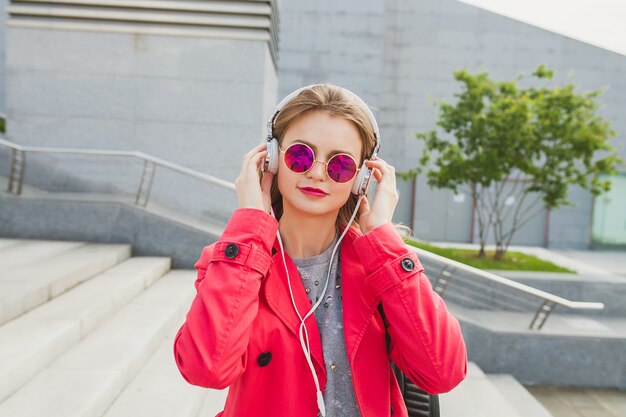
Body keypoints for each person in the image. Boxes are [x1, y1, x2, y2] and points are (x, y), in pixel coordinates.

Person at [173, 84, 467, 417]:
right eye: (300, 155)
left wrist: (383, 238)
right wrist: (250, 225)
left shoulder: (381, 265)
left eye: (340, 164)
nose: (316, 173)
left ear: (361, 179)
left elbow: (443, 371)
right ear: (271, 160)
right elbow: (206, 369)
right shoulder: (236, 260)